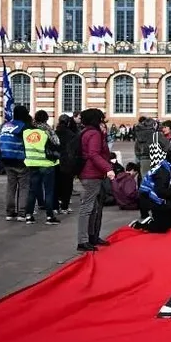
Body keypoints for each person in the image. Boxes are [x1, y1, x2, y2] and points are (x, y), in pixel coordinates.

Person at [76, 108, 114, 252]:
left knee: (94, 208)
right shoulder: (94, 134)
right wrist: (108, 169)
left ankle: (91, 236)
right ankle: (83, 240)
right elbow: (94, 154)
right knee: (88, 208)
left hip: (90, 173)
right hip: (91, 174)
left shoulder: (86, 132)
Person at [23, 111, 61, 225]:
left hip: (32, 163)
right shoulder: (47, 130)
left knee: (32, 190)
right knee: (48, 191)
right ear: (46, 119)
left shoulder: (27, 131)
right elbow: (57, 142)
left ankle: (28, 215)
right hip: (46, 163)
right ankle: (49, 216)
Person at [135, 150, 171, 233]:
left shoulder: (168, 167)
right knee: (162, 228)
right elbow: (160, 190)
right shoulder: (163, 171)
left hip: (159, 197)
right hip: (150, 197)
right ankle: (144, 224)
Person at [0, 105, 32, 221]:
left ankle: (9, 212)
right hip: (20, 159)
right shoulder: (24, 126)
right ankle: (22, 213)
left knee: (11, 186)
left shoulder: (5, 125)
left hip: (6, 159)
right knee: (23, 187)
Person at [54, 114, 78, 213]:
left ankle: (55, 206)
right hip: (67, 162)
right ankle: (64, 206)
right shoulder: (71, 134)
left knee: (56, 185)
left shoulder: (54, 133)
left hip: (55, 161)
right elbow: (74, 150)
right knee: (67, 186)